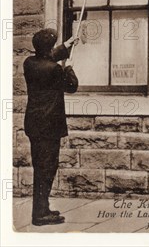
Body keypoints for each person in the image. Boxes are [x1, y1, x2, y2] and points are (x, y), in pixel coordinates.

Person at [23, 28, 79, 226]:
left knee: (40, 167)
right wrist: (69, 67)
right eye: (54, 44)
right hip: (48, 127)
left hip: (34, 124)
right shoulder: (54, 70)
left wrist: (66, 47)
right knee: (47, 167)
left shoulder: (29, 63)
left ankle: (42, 208)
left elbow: (47, 58)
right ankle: (40, 214)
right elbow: (72, 86)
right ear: (48, 48)